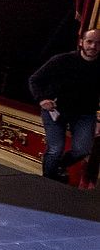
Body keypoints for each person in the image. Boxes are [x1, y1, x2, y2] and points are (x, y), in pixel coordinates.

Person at [28, 29, 100, 183]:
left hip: (84, 113)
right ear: (81, 42)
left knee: (83, 150)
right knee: (55, 149)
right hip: (56, 110)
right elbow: (35, 79)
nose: (93, 46)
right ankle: (47, 182)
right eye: (90, 41)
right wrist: (42, 99)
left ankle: (58, 167)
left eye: (98, 43)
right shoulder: (62, 60)